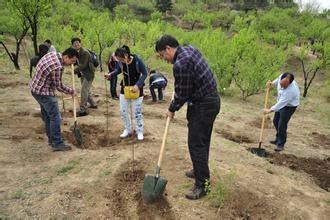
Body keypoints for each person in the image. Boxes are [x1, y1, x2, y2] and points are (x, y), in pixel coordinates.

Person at [155, 35, 220, 200]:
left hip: (203, 104)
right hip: (210, 100)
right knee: (202, 141)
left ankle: (202, 185)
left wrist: (172, 109)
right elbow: (186, 86)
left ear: (168, 48)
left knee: (196, 143)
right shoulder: (189, 49)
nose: (164, 59)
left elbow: (183, 92)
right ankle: (200, 170)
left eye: (163, 55)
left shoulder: (180, 64)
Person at [29, 48, 78, 151]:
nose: (71, 64)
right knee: (55, 117)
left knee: (48, 115)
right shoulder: (57, 66)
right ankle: (57, 142)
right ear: (66, 57)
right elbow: (59, 86)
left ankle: (51, 139)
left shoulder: (53, 54)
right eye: (72, 61)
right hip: (43, 92)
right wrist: (72, 91)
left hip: (35, 89)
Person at [104, 45, 147, 141]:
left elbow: (145, 73)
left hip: (137, 90)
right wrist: (110, 74)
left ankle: (139, 130)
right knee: (123, 111)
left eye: (121, 59)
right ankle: (128, 129)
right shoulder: (120, 62)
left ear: (126, 56)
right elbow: (118, 70)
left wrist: (138, 85)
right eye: (119, 60)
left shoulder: (137, 61)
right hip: (125, 89)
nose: (120, 61)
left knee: (137, 112)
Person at [264, 72, 300, 152]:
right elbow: (277, 81)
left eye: (285, 86)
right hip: (282, 102)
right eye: (281, 84)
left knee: (282, 125)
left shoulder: (291, 91)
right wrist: (272, 83)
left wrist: (270, 110)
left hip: (289, 106)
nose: (282, 87)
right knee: (275, 121)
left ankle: (281, 144)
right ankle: (277, 139)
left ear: (290, 83)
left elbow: (281, 104)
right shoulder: (282, 77)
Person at [71, 37, 97, 116]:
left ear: (80, 43)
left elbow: (84, 65)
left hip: (89, 74)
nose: (76, 44)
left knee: (83, 90)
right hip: (83, 74)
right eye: (74, 43)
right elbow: (78, 62)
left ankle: (83, 110)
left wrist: (74, 70)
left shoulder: (85, 52)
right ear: (72, 45)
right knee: (86, 90)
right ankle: (93, 104)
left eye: (77, 42)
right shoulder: (76, 52)